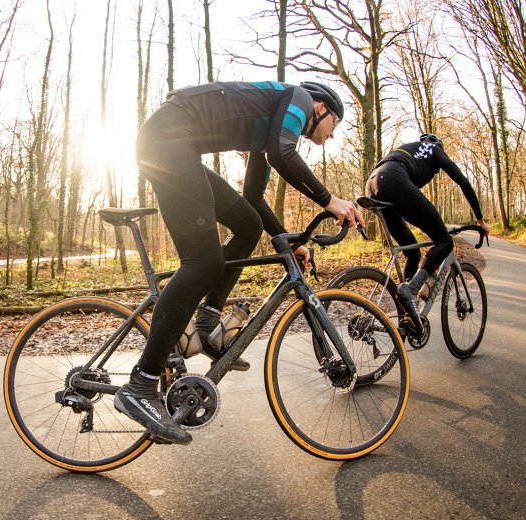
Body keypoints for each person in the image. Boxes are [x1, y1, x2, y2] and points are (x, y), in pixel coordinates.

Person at [113, 80, 364, 444]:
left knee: (247, 225)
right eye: (334, 125)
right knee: (203, 261)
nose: (332, 135)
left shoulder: (267, 134)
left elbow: (252, 199)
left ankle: (207, 324)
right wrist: (330, 200)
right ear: (321, 108)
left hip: (174, 145)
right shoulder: (300, 99)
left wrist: (286, 242)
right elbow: (284, 153)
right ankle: (142, 384)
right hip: (167, 142)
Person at [365, 133, 490, 332]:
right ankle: (411, 289)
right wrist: (480, 219)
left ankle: (408, 314)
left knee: (413, 252)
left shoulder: (410, 148)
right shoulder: (435, 151)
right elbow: (463, 182)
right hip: (394, 178)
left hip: (372, 184)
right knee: (445, 241)